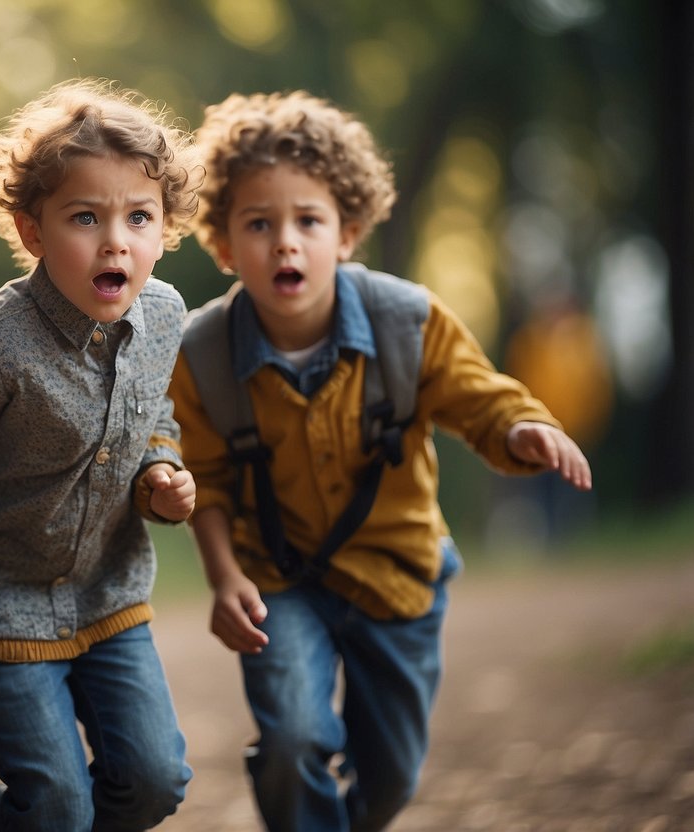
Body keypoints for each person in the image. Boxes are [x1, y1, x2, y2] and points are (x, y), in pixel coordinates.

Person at [167, 90, 593, 832]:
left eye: (308, 221)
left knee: (390, 777)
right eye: (258, 225)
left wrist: (522, 428)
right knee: (292, 738)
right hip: (277, 582)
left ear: (348, 231)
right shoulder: (202, 354)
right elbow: (202, 479)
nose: (284, 244)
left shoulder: (408, 321)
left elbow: (481, 396)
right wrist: (223, 576)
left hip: (397, 577)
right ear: (225, 245)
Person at [0, 77, 200, 831]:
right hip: (1, 606)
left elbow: (153, 407)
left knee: (155, 782)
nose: (115, 240)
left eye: (138, 217)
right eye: (85, 217)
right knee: (57, 809)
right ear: (32, 230)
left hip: (110, 594)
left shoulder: (163, 314)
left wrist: (161, 467)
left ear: (164, 229)